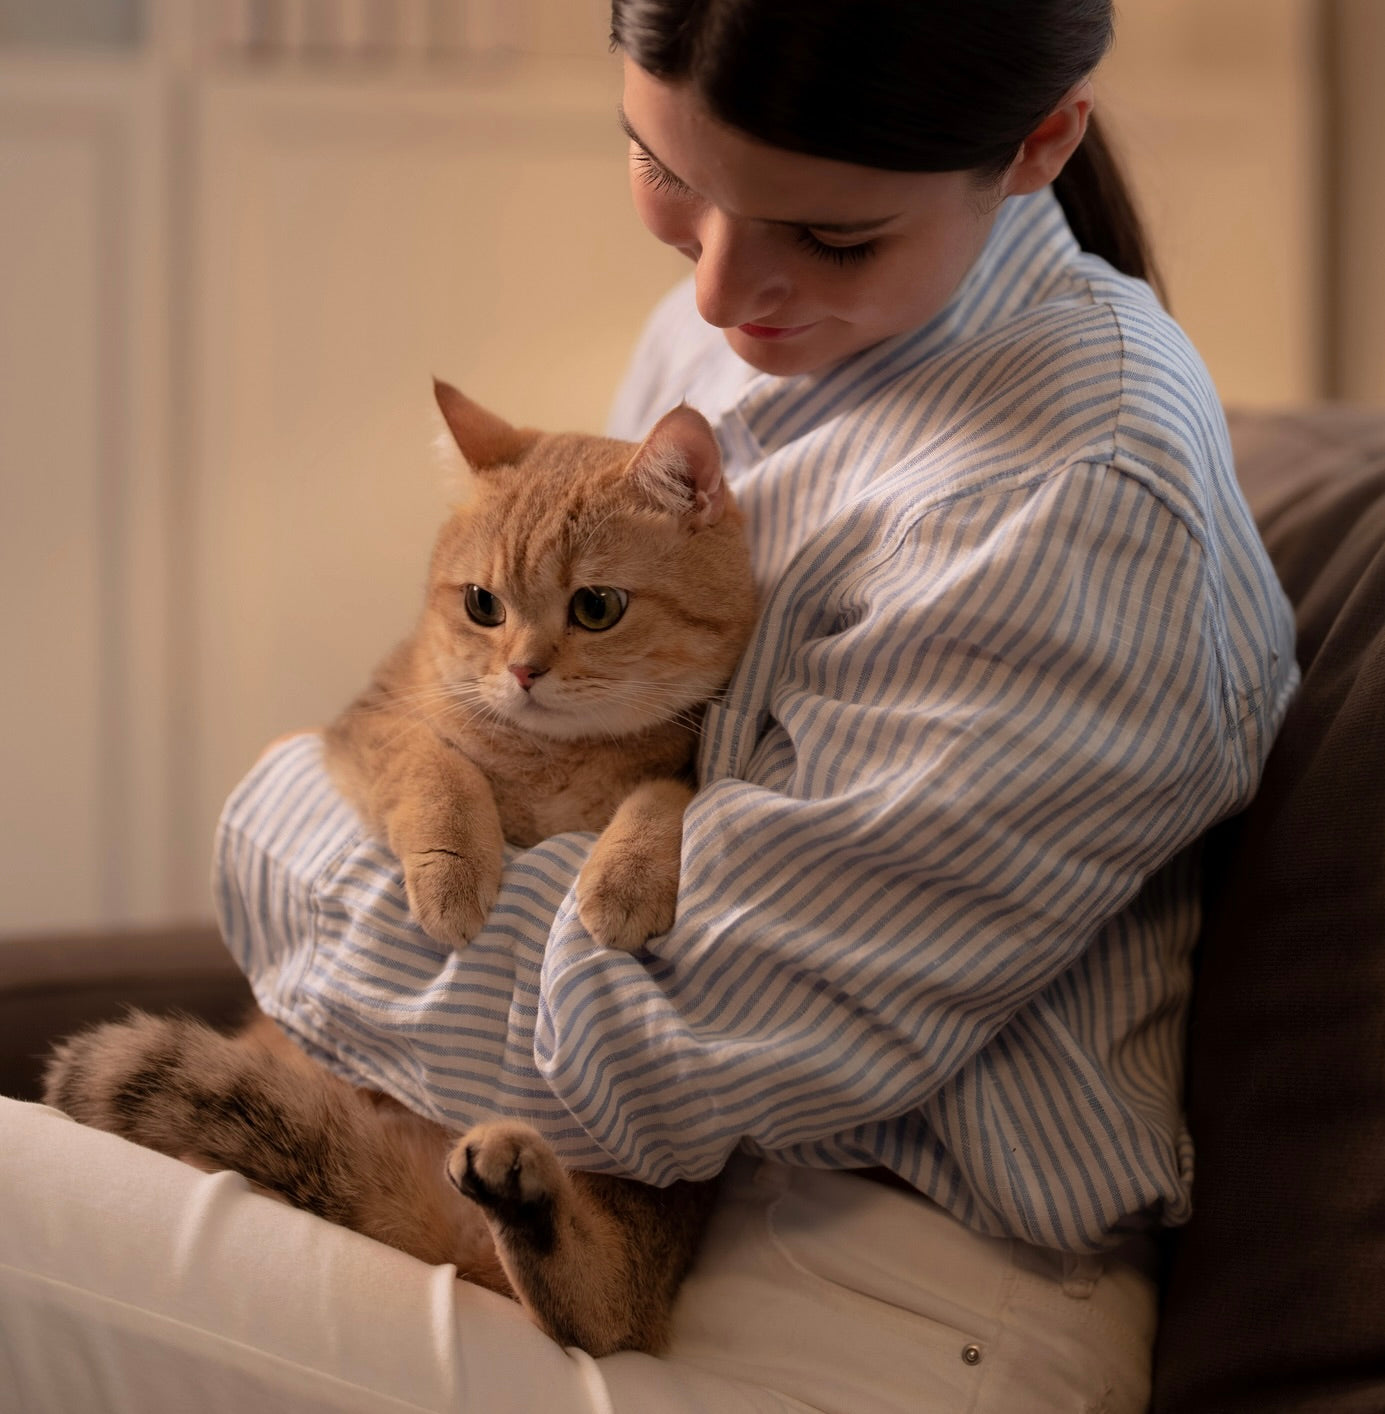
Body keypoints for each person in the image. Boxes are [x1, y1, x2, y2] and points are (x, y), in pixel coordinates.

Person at [0, 2, 1297, 1411]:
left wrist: (275, 830)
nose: (721, 298)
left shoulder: (1076, 491)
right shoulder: (729, 352)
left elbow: (643, 1061)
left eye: (832, 235)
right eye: (669, 184)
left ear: (1039, 142)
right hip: (579, 1210)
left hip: (868, 1322)